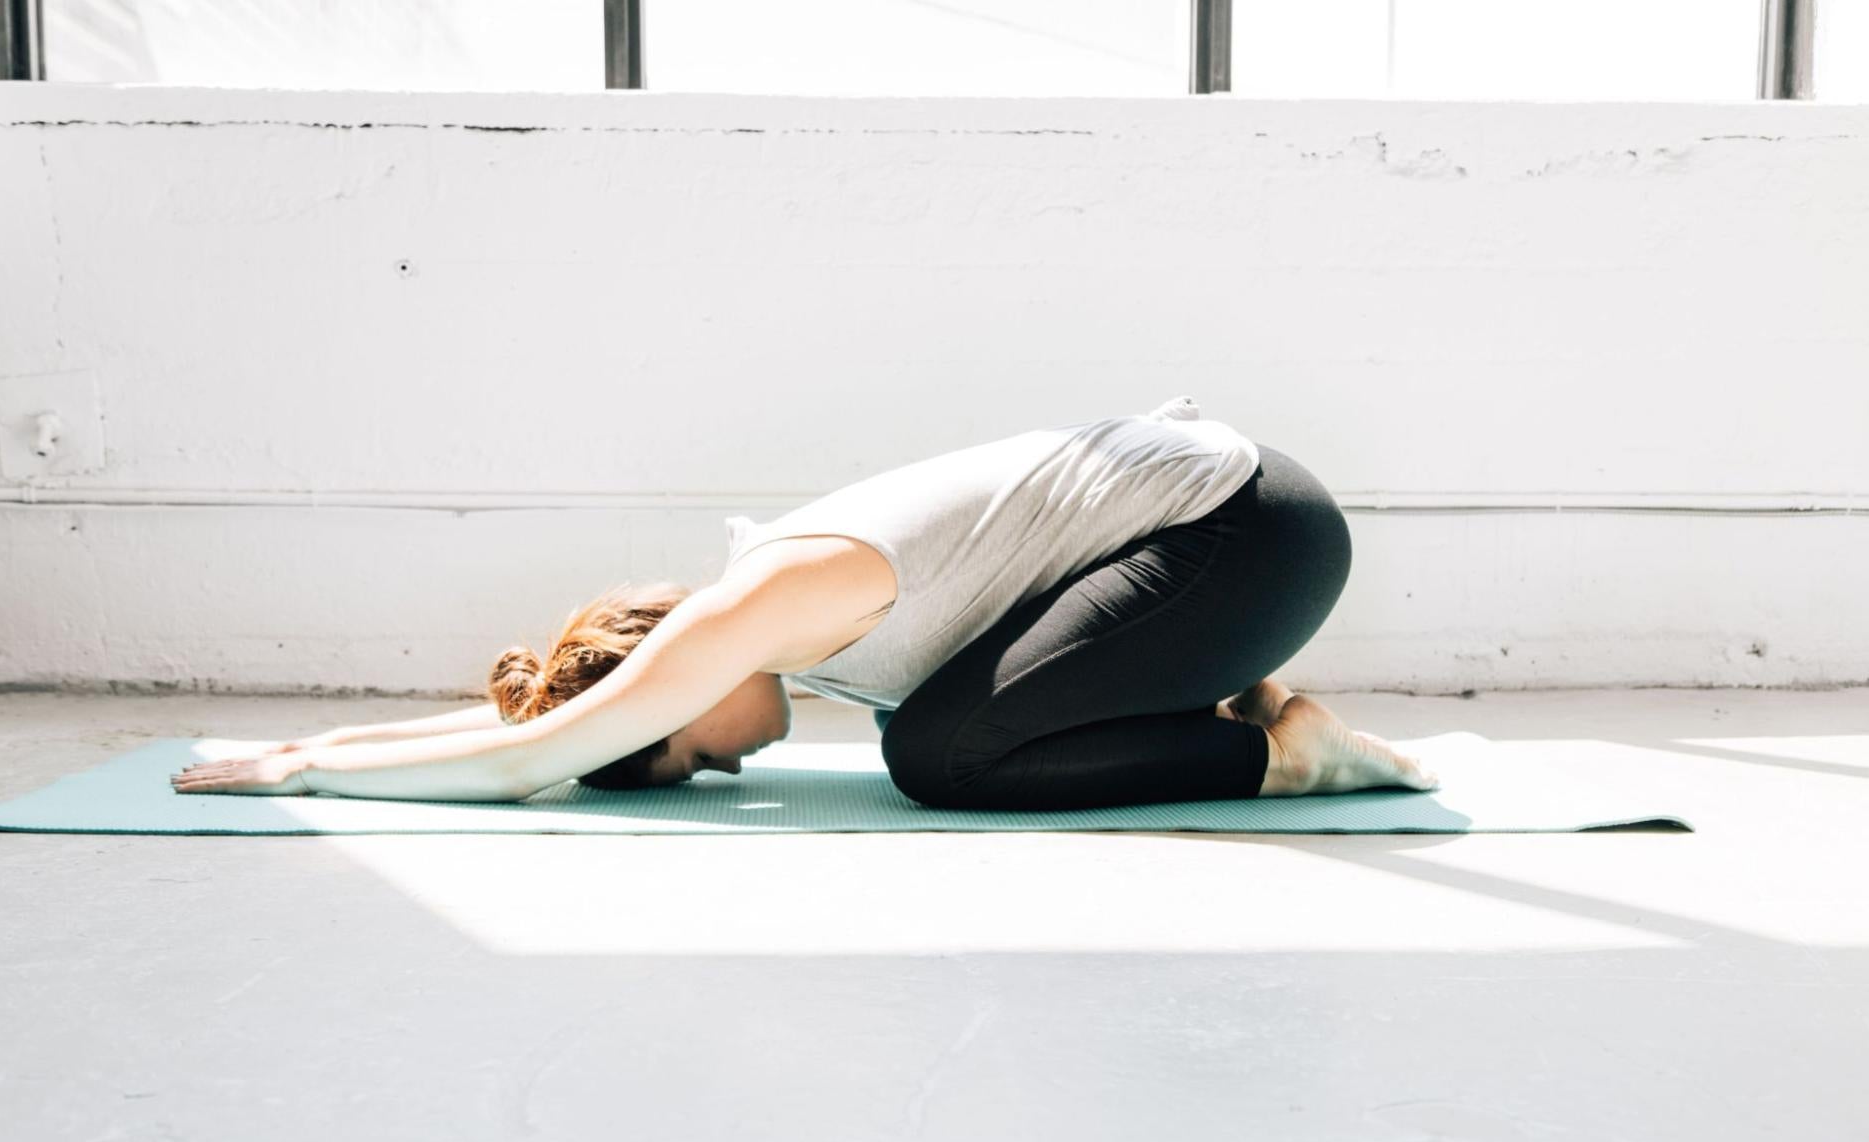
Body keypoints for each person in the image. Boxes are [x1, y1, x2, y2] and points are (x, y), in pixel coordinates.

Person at [173, 397, 1436, 806]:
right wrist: (310, 745)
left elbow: (531, 756)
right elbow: (523, 735)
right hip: (1221, 548)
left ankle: (1289, 756)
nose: (723, 765)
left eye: (683, 757)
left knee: (942, 755)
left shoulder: (751, 607)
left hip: (1246, 528)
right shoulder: (774, 618)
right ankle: (1248, 711)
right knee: (936, 737)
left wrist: (303, 774)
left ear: (659, 692)